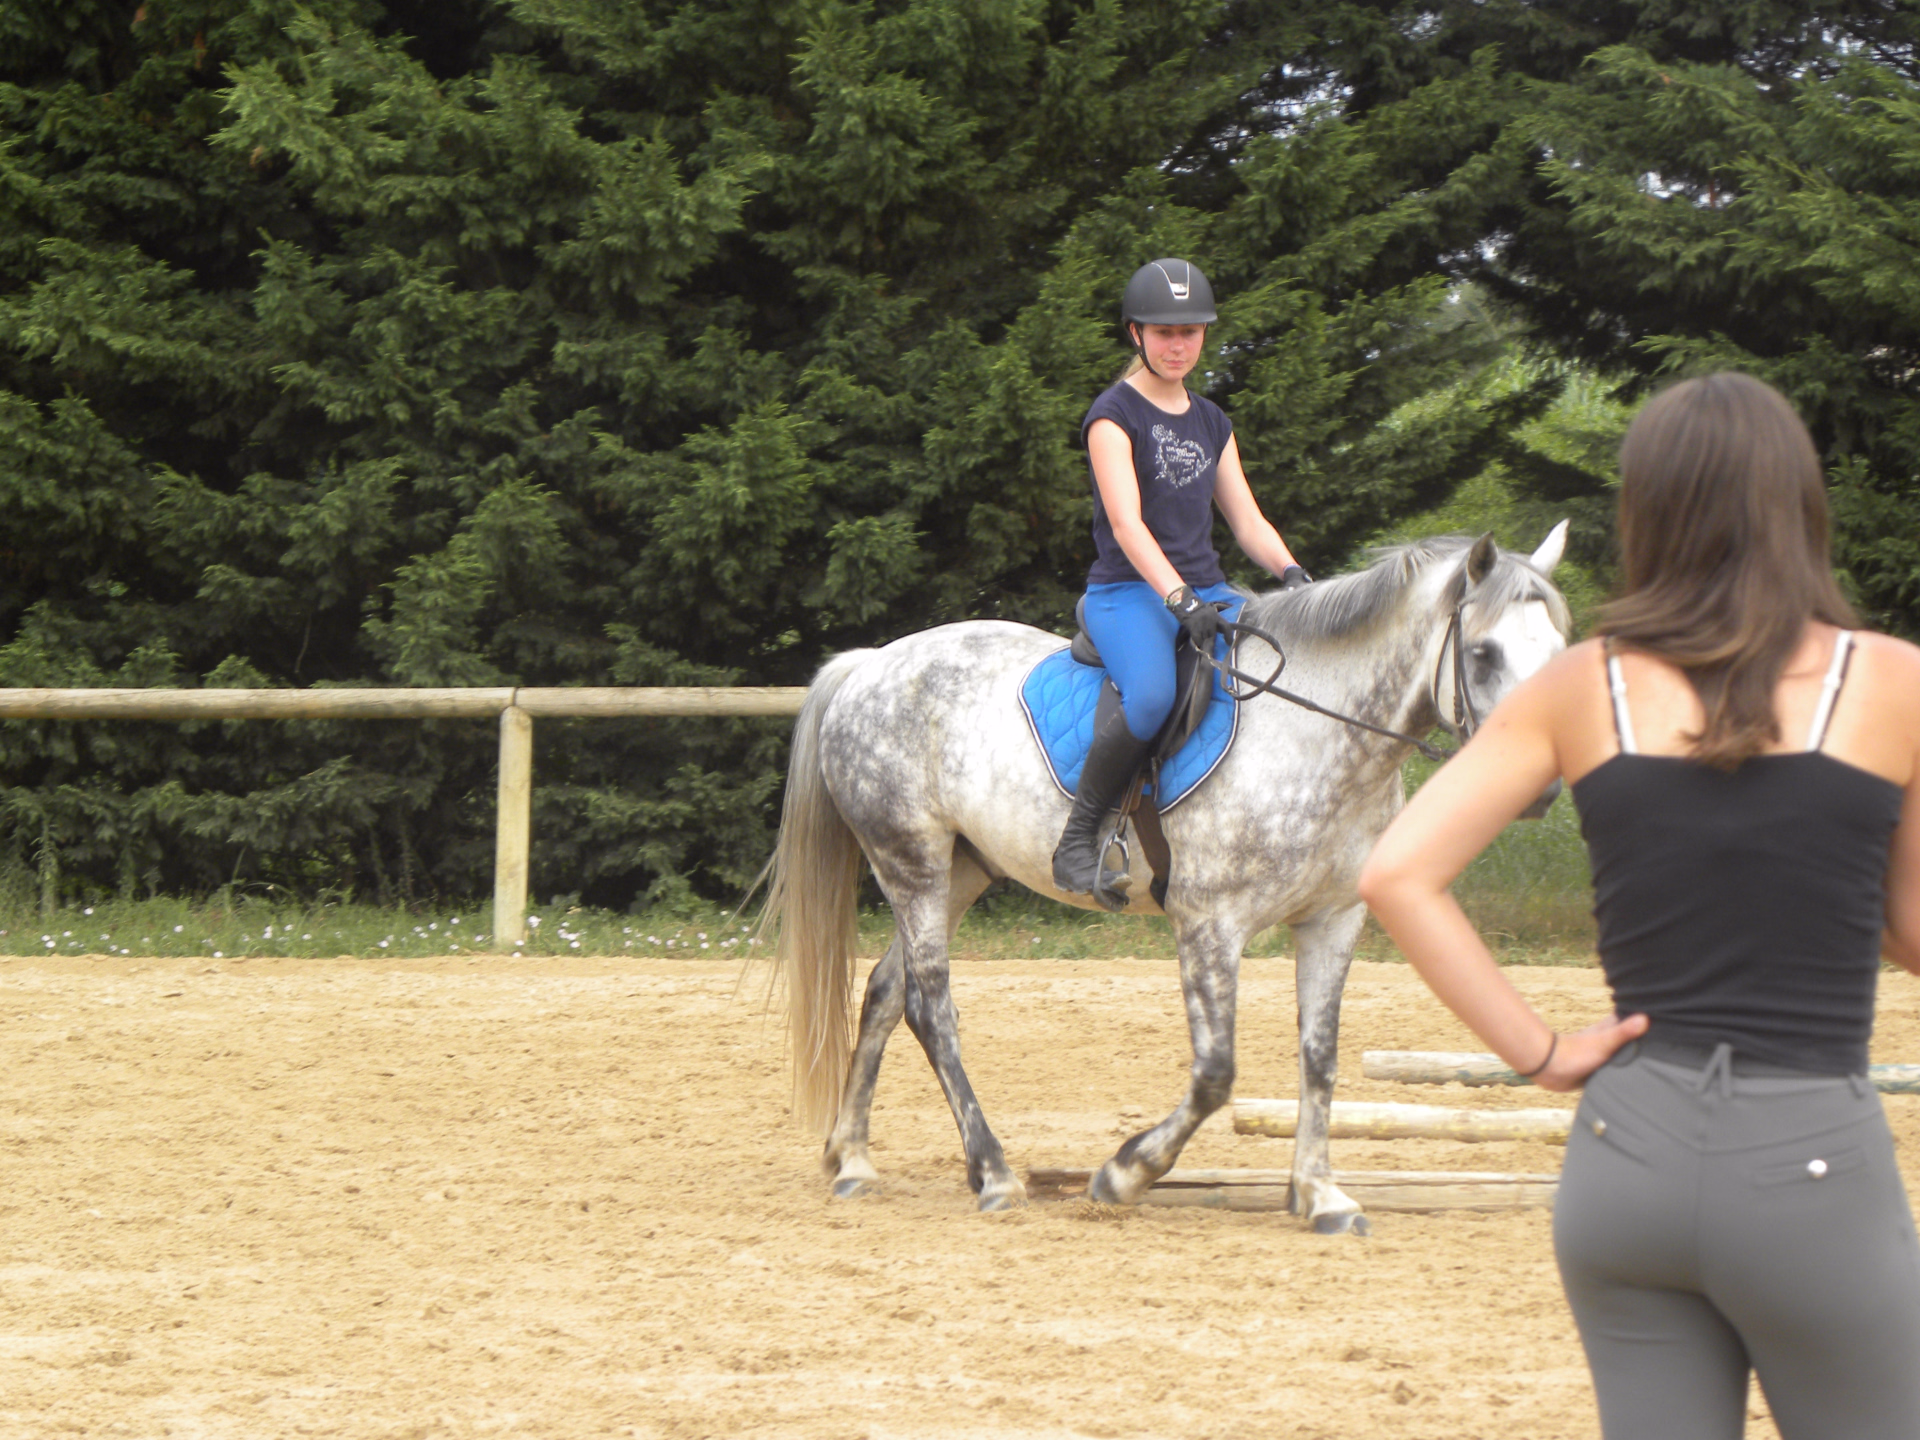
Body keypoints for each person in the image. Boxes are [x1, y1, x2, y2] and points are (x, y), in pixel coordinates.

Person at [1357, 371, 1920, 1439]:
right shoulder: (1892, 682)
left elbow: (1396, 871)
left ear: (1646, 514)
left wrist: (1539, 1051)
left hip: (1627, 1155)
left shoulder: (1582, 684)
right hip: (1811, 1162)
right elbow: (1911, 930)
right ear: (1799, 506)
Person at [1052, 257, 1309, 907]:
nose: (1178, 345)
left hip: (1206, 589)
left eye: (1190, 332)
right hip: (1127, 593)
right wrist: (1179, 598)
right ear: (1135, 333)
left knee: (1279, 665)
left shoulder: (1212, 422)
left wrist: (1294, 577)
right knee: (1150, 696)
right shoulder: (1112, 415)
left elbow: (1247, 521)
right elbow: (1127, 524)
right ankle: (1077, 843)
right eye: (1164, 332)